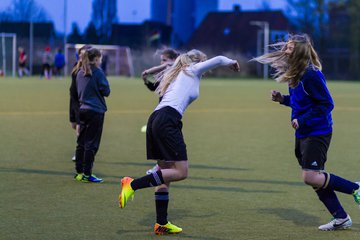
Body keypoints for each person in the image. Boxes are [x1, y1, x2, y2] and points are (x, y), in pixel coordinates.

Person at [118, 49, 240, 235]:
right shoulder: (192, 69)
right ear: (198, 61)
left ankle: (161, 223)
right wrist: (232, 62)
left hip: (156, 119)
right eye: (203, 62)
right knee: (181, 171)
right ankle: (132, 185)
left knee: (165, 174)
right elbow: (219, 59)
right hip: (168, 120)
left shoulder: (177, 74)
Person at [252, 34, 360, 231]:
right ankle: (341, 218)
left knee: (310, 176)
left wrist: (301, 120)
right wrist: (282, 99)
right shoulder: (297, 73)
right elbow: (301, 101)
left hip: (317, 131)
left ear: (300, 51)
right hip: (303, 132)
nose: (285, 50)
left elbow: (327, 104)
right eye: (286, 47)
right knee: (314, 177)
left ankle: (356, 188)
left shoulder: (311, 74)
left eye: (290, 48)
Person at [71, 47, 110, 183]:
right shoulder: (98, 72)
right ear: (96, 59)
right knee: (91, 144)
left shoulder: (78, 72)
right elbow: (106, 91)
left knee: (81, 142)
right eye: (100, 59)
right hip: (96, 111)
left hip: (82, 111)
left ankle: (79, 172)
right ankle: (88, 173)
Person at [141, 48, 180, 175]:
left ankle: (163, 168)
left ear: (174, 60)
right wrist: (146, 80)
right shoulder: (166, 73)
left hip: (170, 112)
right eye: (161, 60)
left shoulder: (177, 72)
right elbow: (155, 87)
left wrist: (148, 71)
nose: (162, 63)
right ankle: (162, 166)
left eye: (164, 60)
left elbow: (169, 67)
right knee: (160, 139)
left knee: (162, 139)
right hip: (162, 111)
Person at [69, 45, 92, 161]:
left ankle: (80, 153)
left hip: (82, 101)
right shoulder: (75, 66)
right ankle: (87, 146)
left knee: (79, 127)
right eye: (80, 54)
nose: (81, 56)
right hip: (73, 100)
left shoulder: (89, 69)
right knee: (73, 125)